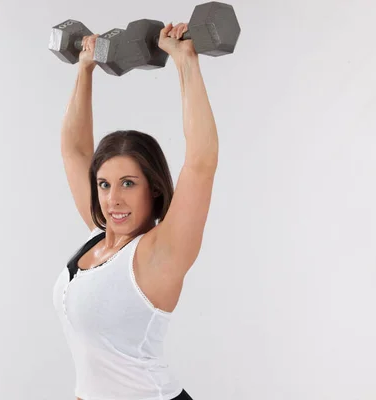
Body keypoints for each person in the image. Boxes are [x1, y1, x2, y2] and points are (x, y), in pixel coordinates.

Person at [53, 22, 219, 400]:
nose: (113, 199)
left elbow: (201, 161)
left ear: (153, 189)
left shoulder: (159, 255)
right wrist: (85, 68)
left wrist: (185, 61)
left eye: (129, 183)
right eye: (104, 184)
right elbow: (74, 150)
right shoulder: (100, 236)